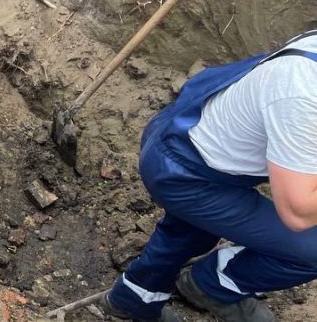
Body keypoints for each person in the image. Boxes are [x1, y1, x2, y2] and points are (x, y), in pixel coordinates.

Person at [103, 29, 317, 322]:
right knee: (311, 248)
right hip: (184, 172)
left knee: (189, 234)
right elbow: (297, 212)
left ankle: (133, 299)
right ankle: (212, 286)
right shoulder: (302, 92)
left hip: (189, 134)